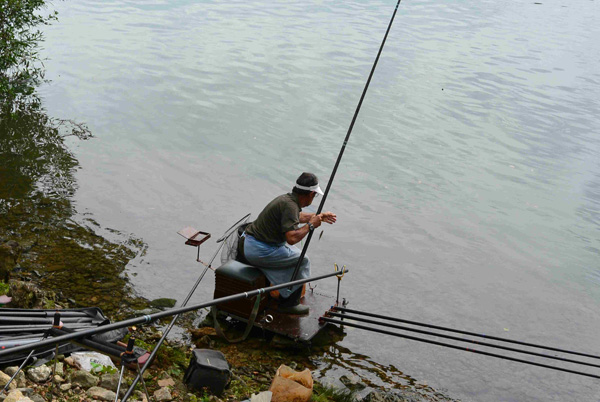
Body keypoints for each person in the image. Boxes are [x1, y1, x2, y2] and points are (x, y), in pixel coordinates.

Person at [239, 172, 337, 315]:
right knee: (303, 261)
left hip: (253, 244)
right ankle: (289, 303)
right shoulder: (290, 205)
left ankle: (281, 290)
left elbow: (297, 217)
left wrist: (319, 216)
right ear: (310, 194)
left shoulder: (287, 200)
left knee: (296, 255)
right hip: (258, 249)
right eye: (314, 195)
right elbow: (291, 239)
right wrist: (311, 225)